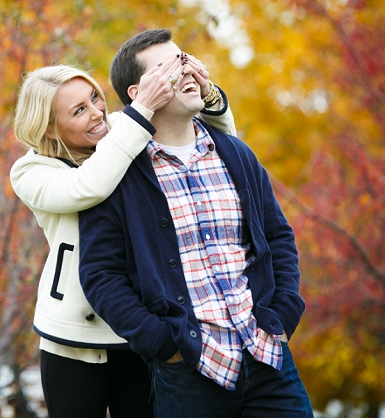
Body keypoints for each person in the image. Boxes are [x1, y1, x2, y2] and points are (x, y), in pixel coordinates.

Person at [77, 29, 313, 418]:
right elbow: (101, 275)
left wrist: (283, 315)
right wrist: (162, 344)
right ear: (138, 93)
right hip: (188, 370)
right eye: (166, 66)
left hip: (269, 358)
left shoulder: (237, 154)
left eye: (184, 59)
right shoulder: (116, 172)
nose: (184, 70)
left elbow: (278, 238)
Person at [9, 59, 236, 418]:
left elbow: (212, 144)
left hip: (141, 328)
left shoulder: (122, 128)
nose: (98, 112)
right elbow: (89, 187)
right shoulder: (31, 171)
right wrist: (141, 111)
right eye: (79, 110)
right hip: (73, 343)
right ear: (50, 128)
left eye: (95, 98)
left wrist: (207, 95)